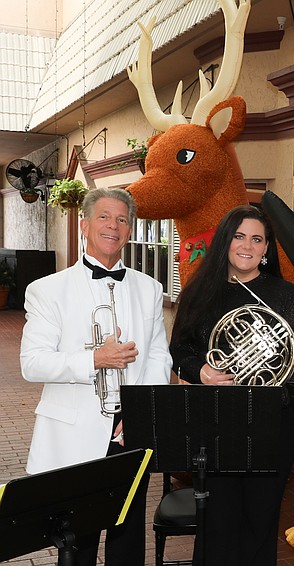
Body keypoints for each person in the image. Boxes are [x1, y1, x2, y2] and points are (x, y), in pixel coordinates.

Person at [20, 187, 171, 566]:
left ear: (130, 229)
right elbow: (32, 363)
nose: (113, 226)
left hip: (129, 434)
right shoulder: (46, 290)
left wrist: (138, 414)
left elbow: (157, 356)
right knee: (78, 543)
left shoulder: (150, 288)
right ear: (84, 225)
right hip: (73, 435)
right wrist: (95, 359)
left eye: (122, 220)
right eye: (104, 217)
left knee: (128, 538)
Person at [169, 205, 294, 566]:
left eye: (257, 239)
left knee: (261, 521)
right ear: (225, 242)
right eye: (239, 236)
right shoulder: (199, 292)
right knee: (216, 521)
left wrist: (264, 394)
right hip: (216, 422)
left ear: (267, 249)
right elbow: (179, 350)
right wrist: (201, 371)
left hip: (271, 423)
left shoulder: (287, 296)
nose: (247, 245)